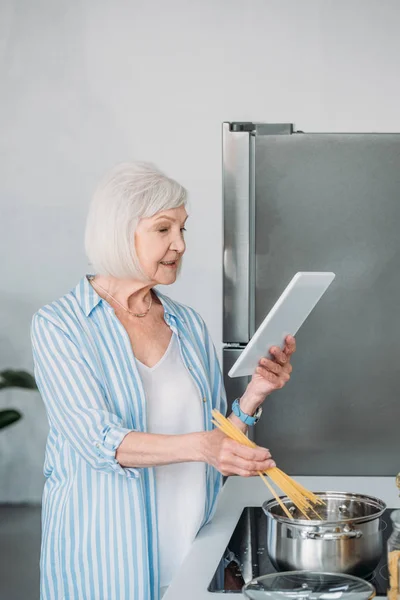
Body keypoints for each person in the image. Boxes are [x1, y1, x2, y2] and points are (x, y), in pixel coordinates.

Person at [31, 162, 296, 600]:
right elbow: (100, 442)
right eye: (163, 229)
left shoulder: (187, 324)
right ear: (120, 231)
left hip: (193, 556)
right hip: (105, 565)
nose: (180, 244)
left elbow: (221, 439)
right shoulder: (61, 325)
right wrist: (200, 446)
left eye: (183, 229)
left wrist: (254, 395)